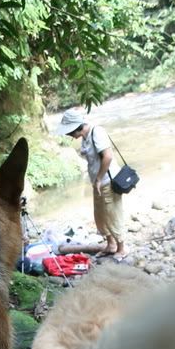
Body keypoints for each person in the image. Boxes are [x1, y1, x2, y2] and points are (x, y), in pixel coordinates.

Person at [56, 107, 126, 259]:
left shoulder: (97, 132)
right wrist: (96, 181)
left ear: (76, 127)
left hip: (107, 181)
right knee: (100, 215)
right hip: (98, 182)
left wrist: (99, 179)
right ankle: (111, 244)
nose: (69, 135)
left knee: (112, 214)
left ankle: (121, 249)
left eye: (69, 132)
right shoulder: (85, 137)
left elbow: (108, 157)